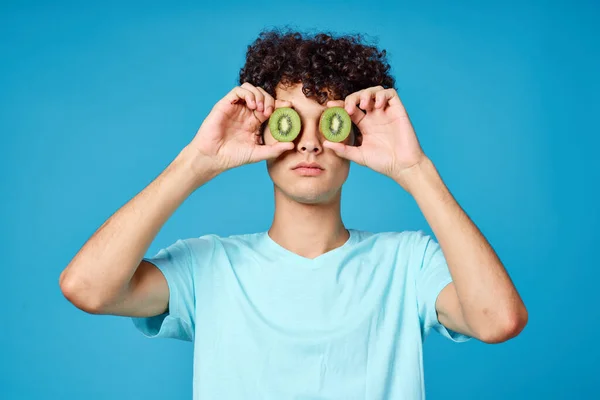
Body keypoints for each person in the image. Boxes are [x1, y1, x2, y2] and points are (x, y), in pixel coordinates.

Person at [59, 29, 528, 399]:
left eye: (328, 121)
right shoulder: (209, 267)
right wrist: (195, 162)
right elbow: (87, 288)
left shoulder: (406, 264)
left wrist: (415, 169)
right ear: (263, 135)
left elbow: (498, 321)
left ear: (354, 137)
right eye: (290, 123)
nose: (308, 142)